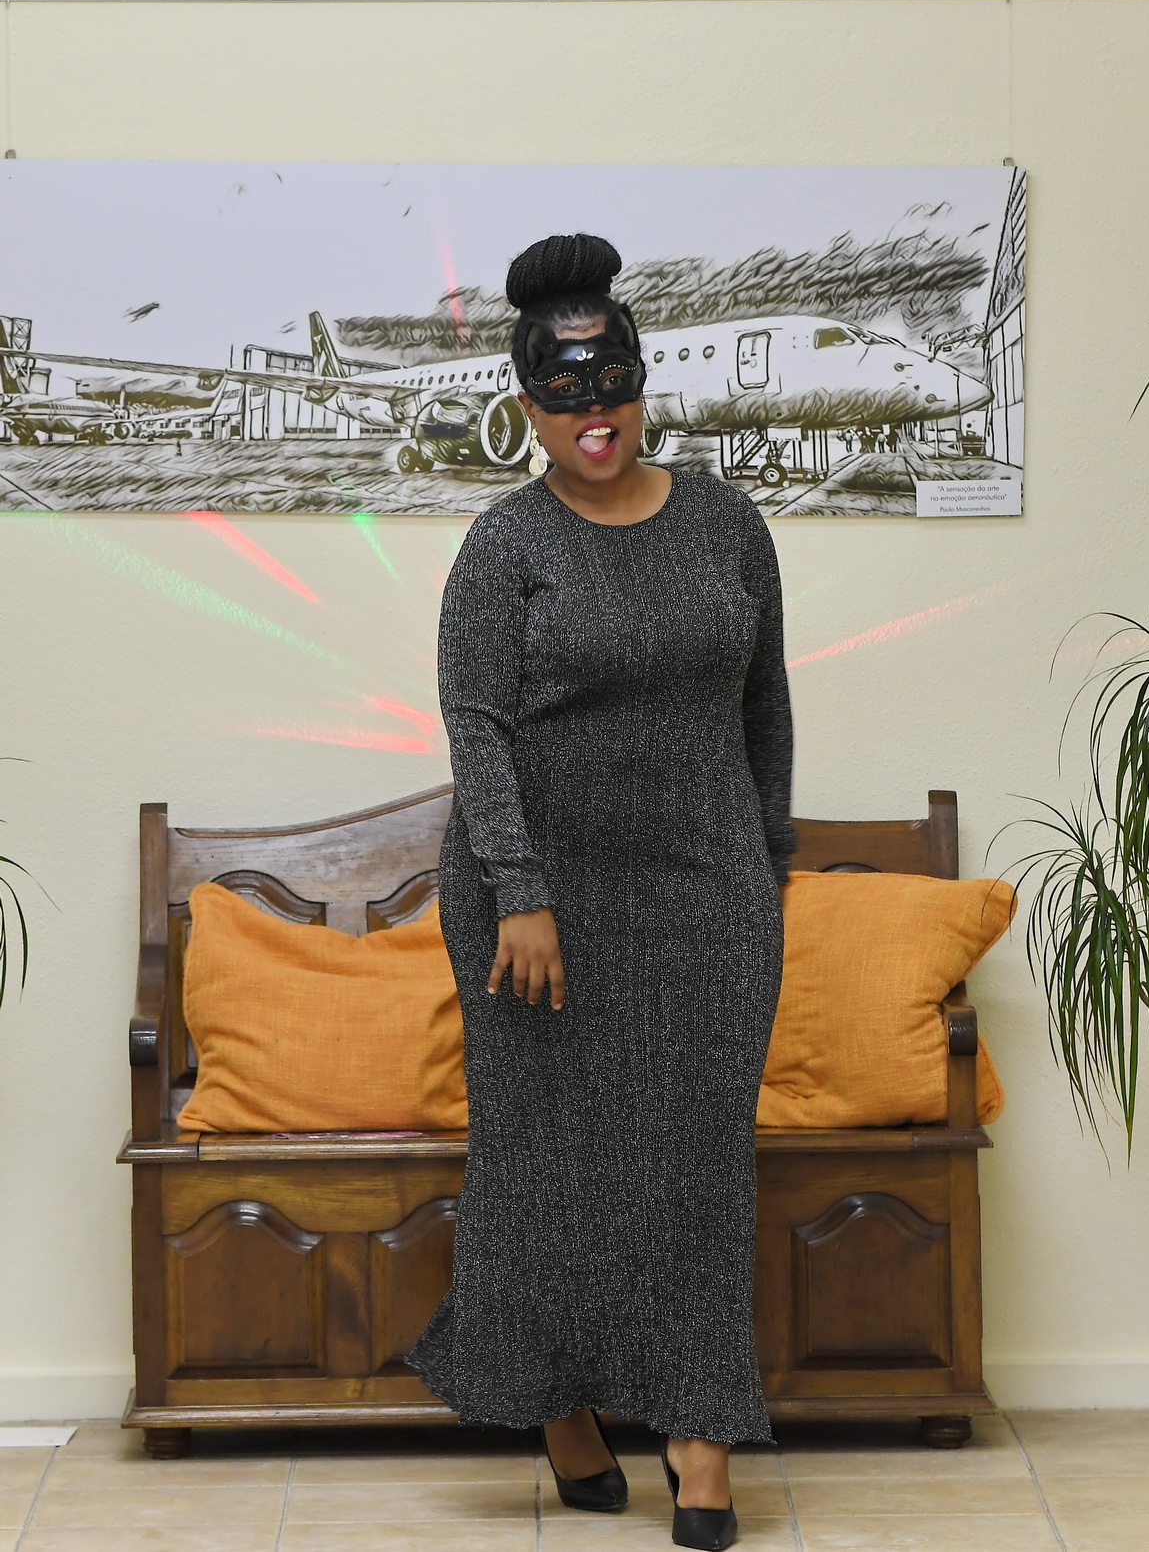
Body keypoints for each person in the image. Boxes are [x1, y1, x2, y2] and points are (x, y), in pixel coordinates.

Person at [406, 233, 795, 1552]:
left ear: (641, 382)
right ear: (529, 407)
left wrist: (766, 870)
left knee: (697, 1171)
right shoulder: (504, 544)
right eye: (564, 391)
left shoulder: (727, 525)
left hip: (708, 895)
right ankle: (559, 1406)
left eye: (612, 381)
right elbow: (476, 726)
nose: (595, 410)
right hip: (537, 903)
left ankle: (699, 1439)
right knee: (545, 1168)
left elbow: (764, 707)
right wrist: (520, 889)